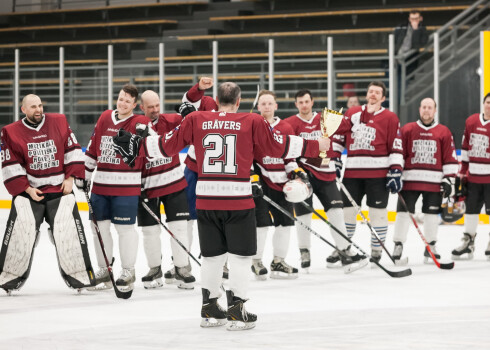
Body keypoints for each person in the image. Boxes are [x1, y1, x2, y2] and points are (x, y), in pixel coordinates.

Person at [113, 82, 330, 330]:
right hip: (238, 200)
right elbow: (277, 146)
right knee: (240, 257)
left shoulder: (196, 119)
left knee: (212, 257)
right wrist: (315, 145)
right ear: (239, 102)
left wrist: (138, 146)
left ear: (216, 99)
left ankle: (210, 308)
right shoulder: (252, 121)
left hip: (206, 200)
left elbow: (166, 144)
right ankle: (237, 310)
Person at [0, 94, 94, 294]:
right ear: (23, 109)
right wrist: (26, 189)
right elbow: (10, 164)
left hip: (59, 190)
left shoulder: (59, 121)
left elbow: (73, 150)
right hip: (30, 192)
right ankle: (8, 280)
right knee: (20, 234)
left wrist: (70, 179)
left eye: (40, 105)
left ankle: (81, 279)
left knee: (69, 234)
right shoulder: (10, 132)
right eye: (33, 107)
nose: (38, 110)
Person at [83, 84, 151, 290]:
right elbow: (94, 147)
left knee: (125, 230)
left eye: (127, 101)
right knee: (98, 229)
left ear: (135, 105)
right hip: (100, 187)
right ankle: (104, 269)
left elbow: (149, 147)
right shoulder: (105, 117)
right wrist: (85, 173)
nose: (122, 103)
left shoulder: (140, 121)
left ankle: (128, 270)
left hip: (126, 187)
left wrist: (144, 135)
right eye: (121, 99)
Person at [285, 89, 362, 269]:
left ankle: (344, 250)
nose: (304, 105)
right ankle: (304, 250)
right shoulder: (290, 124)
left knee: (336, 212)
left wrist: (335, 155)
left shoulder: (327, 119)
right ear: (296, 104)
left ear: (312, 102)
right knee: (303, 215)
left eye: (306, 101)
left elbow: (351, 126)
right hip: (303, 176)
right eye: (300, 102)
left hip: (326, 173)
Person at [332, 81, 404, 263]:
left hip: (378, 175)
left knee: (378, 213)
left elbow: (396, 146)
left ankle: (376, 249)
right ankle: (344, 247)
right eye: (371, 91)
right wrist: (335, 158)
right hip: (352, 174)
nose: (373, 94)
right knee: (346, 212)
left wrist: (395, 170)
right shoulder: (352, 113)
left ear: (383, 98)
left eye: (377, 92)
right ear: (366, 94)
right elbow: (339, 137)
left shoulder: (390, 118)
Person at [137, 90, 194, 289]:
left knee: (179, 228)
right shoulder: (135, 126)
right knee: (149, 232)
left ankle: (181, 267)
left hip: (174, 184)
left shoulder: (170, 120)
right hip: (148, 187)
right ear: (141, 107)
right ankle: (154, 269)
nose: (155, 110)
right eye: (150, 107)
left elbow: (193, 121)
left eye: (157, 105)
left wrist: (189, 113)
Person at [392, 97, 458, 263]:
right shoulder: (407, 130)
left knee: (431, 214)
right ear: (419, 109)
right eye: (424, 107)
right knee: (403, 213)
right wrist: (396, 172)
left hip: (434, 182)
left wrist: (448, 180)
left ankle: (431, 246)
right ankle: (398, 244)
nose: (426, 110)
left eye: (430, 107)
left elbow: (449, 158)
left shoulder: (444, 132)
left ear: (435, 110)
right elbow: (399, 153)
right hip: (409, 181)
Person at [251, 90, 299, 279]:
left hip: (282, 184)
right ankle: (256, 261)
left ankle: (278, 262)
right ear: (258, 106)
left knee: (285, 223)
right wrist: (252, 178)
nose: (267, 107)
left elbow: (290, 156)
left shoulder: (286, 127)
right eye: (263, 104)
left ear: (276, 106)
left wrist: (296, 172)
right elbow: (247, 156)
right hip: (260, 183)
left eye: (270, 103)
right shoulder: (252, 125)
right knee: (261, 224)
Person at [452, 93, 490, 260]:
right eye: (488, 102)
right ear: (483, 104)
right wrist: (462, 171)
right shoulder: (472, 121)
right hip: (473, 177)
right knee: (471, 212)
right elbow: (466, 148)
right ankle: (468, 242)